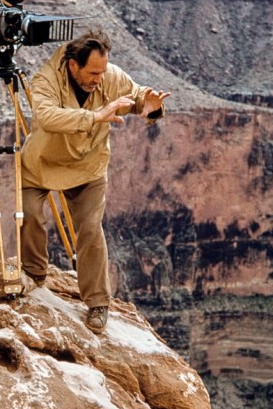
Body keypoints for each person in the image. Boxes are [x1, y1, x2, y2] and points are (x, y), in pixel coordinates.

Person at [20, 27, 170, 334]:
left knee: (89, 228)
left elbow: (137, 95)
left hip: (88, 166)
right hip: (43, 163)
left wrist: (149, 106)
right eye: (92, 73)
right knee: (30, 215)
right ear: (74, 65)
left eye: (102, 72)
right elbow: (46, 116)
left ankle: (98, 302)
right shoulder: (46, 78)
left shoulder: (109, 75)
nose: (98, 79)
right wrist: (96, 116)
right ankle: (33, 275)